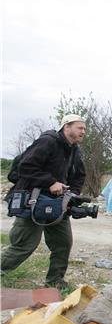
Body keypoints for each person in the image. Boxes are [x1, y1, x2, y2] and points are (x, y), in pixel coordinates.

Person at [1, 114, 86, 289]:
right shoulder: (48, 142)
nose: (83, 131)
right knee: (24, 245)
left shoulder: (75, 150)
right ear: (66, 126)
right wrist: (50, 182)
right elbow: (25, 166)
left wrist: (73, 195)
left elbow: (79, 176)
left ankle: (55, 282)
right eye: (80, 127)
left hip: (58, 204)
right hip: (33, 201)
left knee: (63, 243)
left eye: (84, 128)